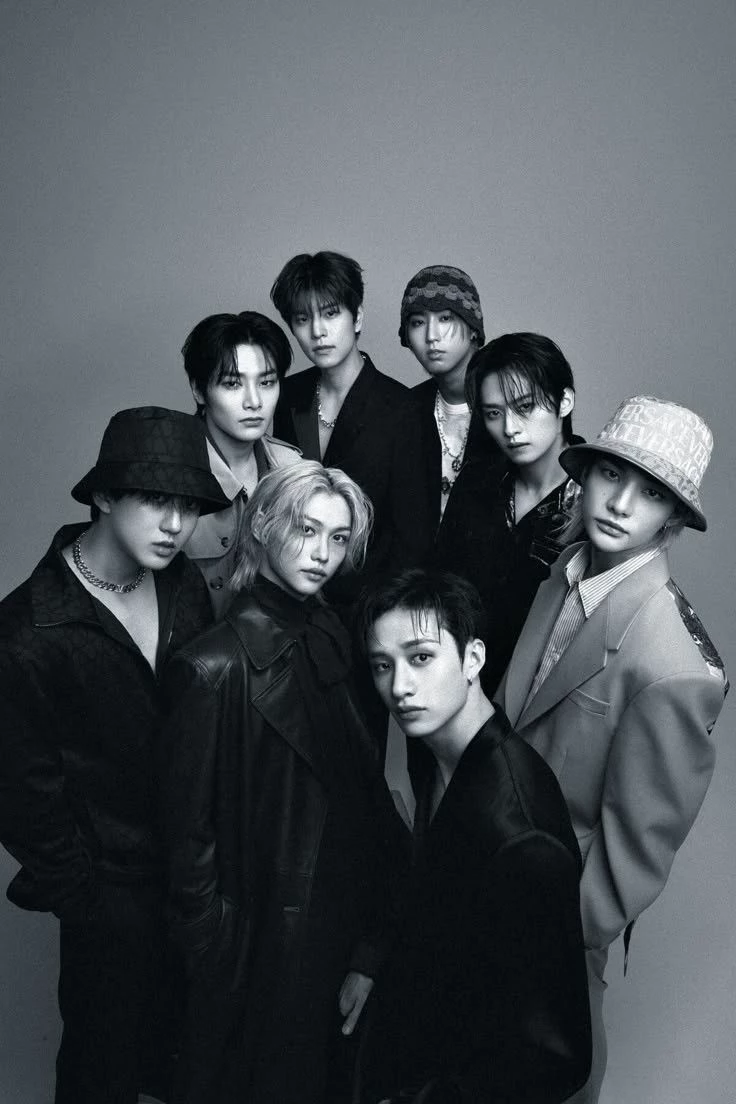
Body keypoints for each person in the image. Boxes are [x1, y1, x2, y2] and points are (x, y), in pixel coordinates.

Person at [496, 395, 729, 1103]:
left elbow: (633, 858)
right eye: (611, 475)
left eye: (651, 493)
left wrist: (554, 938)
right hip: (484, 879)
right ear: (587, 474)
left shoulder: (677, 666)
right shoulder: (564, 570)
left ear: (673, 519)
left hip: (554, 925)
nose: (622, 505)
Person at [0, 406, 229, 1104]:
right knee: (102, 1074)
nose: (175, 524)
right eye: (155, 500)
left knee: (197, 1067)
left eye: (188, 506)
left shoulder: (183, 586)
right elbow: (21, 794)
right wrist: (90, 902)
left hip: (196, 882)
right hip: (108, 902)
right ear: (102, 495)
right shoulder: (27, 630)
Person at [161, 461, 405, 1104]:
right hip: (260, 958)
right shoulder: (212, 667)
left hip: (336, 938)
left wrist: (369, 945)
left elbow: (359, 798)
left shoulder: (331, 636)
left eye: (338, 538)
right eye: (306, 529)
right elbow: (186, 843)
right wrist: (219, 957)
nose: (323, 554)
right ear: (263, 524)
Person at [355, 568, 592, 1104]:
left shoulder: (520, 833)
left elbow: (556, 1058)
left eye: (421, 657)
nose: (399, 687)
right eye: (382, 665)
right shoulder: (438, 758)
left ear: (473, 659)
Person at [271, 250, 422, 600]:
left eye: (330, 313)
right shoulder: (287, 395)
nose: (318, 332)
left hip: (369, 601)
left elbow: (410, 539)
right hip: (291, 594)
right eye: (302, 319)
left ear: (357, 318)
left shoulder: (403, 409)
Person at [437, 332, 583, 693]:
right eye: (493, 413)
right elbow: (440, 581)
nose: (509, 428)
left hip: (536, 700)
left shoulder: (595, 501)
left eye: (525, 407)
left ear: (564, 401)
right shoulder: (477, 479)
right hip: (455, 684)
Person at [181, 310, 301, 615]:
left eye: (267, 382)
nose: (254, 401)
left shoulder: (293, 470)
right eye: (233, 384)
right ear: (198, 390)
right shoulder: (172, 474)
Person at [398, 264, 498, 551]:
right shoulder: (404, 410)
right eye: (418, 322)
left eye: (445, 318)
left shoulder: (508, 406)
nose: (432, 335)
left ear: (473, 330)